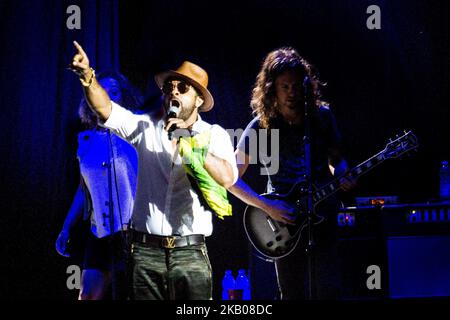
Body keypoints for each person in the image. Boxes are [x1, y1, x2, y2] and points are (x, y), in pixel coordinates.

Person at [68, 41, 238, 300]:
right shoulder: (144, 127)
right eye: (170, 87)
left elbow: (227, 177)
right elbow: (105, 109)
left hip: (190, 253)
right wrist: (88, 77)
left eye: (183, 88)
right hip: (146, 253)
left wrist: (187, 140)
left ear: (199, 99)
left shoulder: (213, 135)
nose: (174, 93)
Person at [229, 47, 356, 300]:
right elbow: (231, 178)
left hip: (322, 218)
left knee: (329, 291)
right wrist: (266, 206)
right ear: (271, 88)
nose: (291, 93)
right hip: (283, 224)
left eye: (296, 86)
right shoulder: (261, 126)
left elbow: (337, 160)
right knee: (292, 293)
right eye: (284, 86)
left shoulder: (321, 118)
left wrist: (343, 174)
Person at [56, 71, 142, 300]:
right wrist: (67, 226)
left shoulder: (136, 132)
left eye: (113, 91)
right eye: (102, 91)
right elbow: (84, 189)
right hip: (100, 231)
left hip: (134, 232)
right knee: (88, 295)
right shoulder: (85, 140)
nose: (108, 96)